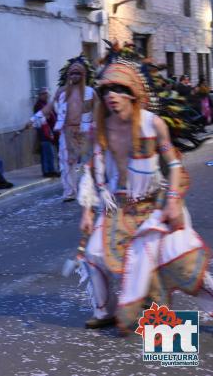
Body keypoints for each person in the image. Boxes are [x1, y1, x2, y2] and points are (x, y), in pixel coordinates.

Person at [76, 45, 213, 333]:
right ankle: (104, 311)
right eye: (106, 91)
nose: (111, 95)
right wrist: (88, 209)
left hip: (155, 203)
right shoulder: (99, 128)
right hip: (117, 205)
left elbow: (173, 166)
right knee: (93, 254)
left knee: (178, 260)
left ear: (133, 93)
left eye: (118, 89)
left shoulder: (154, 125)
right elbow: (91, 169)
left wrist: (173, 202)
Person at [28, 55, 97, 201]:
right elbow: (49, 108)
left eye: (77, 73)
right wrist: (34, 119)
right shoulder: (61, 92)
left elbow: (98, 111)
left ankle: (90, 189)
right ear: (68, 75)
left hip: (85, 133)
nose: (74, 75)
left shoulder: (90, 92)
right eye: (72, 73)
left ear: (83, 74)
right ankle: (70, 192)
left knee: (89, 164)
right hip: (67, 133)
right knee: (66, 164)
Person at [32, 88, 59, 177]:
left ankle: (51, 170)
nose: (46, 95)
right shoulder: (38, 105)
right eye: (43, 93)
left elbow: (53, 115)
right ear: (40, 95)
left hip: (51, 131)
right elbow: (42, 117)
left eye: (47, 93)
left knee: (49, 152)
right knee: (47, 151)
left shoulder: (47, 104)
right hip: (44, 132)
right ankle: (47, 171)